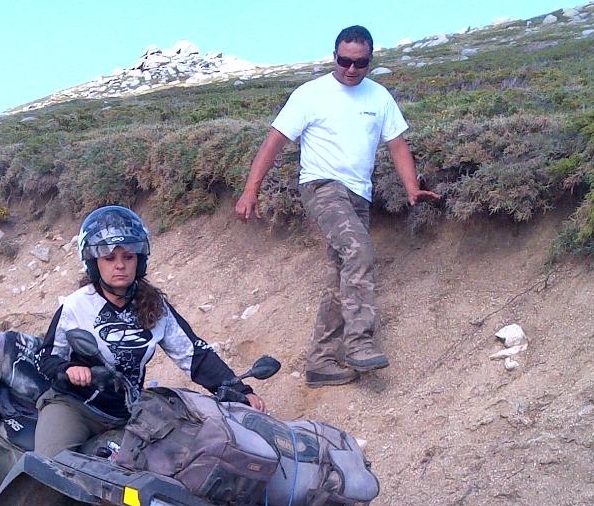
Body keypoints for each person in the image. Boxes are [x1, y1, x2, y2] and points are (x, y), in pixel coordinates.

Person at [236, 25, 442, 388]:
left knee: (340, 274)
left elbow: (397, 144)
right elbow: (274, 142)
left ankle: (320, 362)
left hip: (359, 194)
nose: (351, 69)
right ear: (334, 56)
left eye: (360, 63)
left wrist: (412, 187)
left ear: (370, 60)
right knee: (359, 251)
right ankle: (359, 343)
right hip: (321, 186)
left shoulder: (379, 97)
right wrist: (250, 190)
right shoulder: (310, 94)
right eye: (345, 61)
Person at [34, 205, 266, 457]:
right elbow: (45, 358)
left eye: (128, 257)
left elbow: (194, 355)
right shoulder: (76, 306)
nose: (120, 265)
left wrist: (239, 392)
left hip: (129, 413)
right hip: (74, 407)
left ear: (140, 260)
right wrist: (68, 369)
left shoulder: (155, 306)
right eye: (109, 258)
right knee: (49, 466)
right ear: (93, 262)